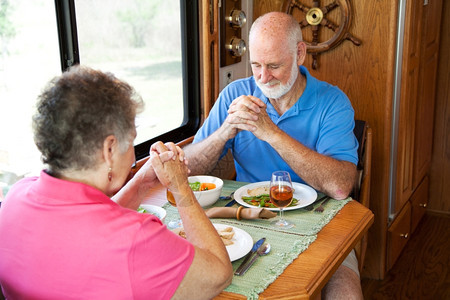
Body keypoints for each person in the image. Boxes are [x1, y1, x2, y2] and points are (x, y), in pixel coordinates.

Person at [0, 65, 232, 300]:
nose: (132, 156)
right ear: (109, 149)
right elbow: (218, 275)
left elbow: (93, 223)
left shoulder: (13, 199)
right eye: (132, 141)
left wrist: (141, 182)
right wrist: (180, 186)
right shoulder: (136, 237)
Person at [183, 12, 363, 299]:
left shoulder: (333, 102)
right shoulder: (235, 95)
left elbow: (341, 186)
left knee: (346, 292)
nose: (263, 77)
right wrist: (223, 132)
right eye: (256, 65)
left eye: (274, 66)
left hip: (320, 224)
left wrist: (271, 133)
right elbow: (186, 173)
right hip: (245, 220)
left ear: (299, 53)